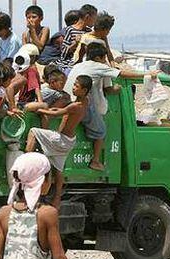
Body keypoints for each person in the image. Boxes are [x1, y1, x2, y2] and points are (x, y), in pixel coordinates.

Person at [64, 42, 159, 171]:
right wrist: (147, 74)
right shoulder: (98, 66)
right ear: (98, 58)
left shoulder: (79, 66)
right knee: (102, 131)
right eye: (104, 58)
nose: (105, 61)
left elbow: (106, 88)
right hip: (82, 104)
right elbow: (121, 74)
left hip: (69, 101)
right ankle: (95, 161)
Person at [0, 152, 74, 259]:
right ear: (42, 181)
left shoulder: (4, 213)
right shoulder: (47, 214)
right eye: (49, 177)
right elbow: (59, 258)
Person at [26, 75, 92, 209]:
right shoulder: (84, 102)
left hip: (61, 140)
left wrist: (39, 110)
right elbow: (62, 111)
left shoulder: (76, 105)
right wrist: (51, 109)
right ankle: (57, 198)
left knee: (33, 131)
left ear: (84, 90)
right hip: (69, 141)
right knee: (59, 170)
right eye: (74, 84)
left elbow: (56, 114)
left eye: (76, 86)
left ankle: (27, 161)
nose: (73, 88)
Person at [55, 4, 98, 75]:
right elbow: (63, 53)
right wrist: (75, 43)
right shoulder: (70, 30)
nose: (95, 21)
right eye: (94, 18)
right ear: (87, 17)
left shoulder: (89, 32)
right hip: (70, 64)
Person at [12, 44, 47, 112]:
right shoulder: (31, 70)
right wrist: (40, 103)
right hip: (26, 103)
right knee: (45, 106)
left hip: (21, 102)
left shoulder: (23, 69)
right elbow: (36, 88)